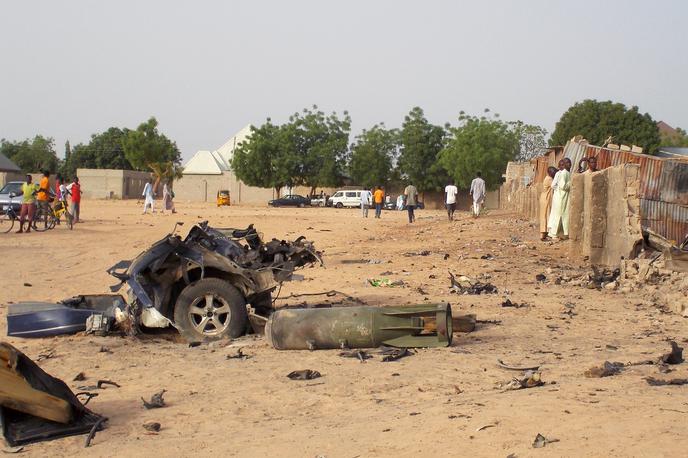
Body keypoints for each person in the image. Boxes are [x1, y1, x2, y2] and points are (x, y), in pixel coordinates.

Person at [547, 159, 572, 239]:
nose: (569, 164)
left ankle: (560, 234)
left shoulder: (567, 173)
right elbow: (562, 186)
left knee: (563, 215)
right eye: (567, 163)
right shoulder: (563, 173)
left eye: (569, 163)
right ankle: (553, 234)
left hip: (563, 196)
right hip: (561, 197)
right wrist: (571, 183)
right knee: (558, 215)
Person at [539, 167, 557, 241]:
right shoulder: (549, 179)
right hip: (546, 199)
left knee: (546, 216)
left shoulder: (548, 178)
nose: (554, 174)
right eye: (553, 173)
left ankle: (545, 234)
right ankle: (542, 234)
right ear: (550, 173)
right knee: (545, 216)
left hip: (546, 198)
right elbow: (555, 184)